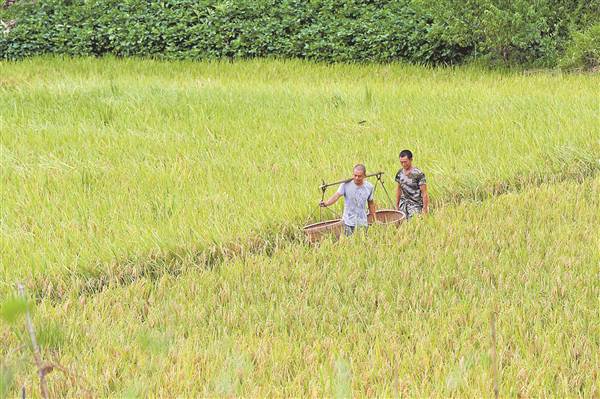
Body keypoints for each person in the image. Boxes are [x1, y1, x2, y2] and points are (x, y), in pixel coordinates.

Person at [320, 164, 376, 236]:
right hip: (348, 221)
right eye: (355, 175)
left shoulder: (369, 187)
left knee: (361, 242)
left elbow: (371, 203)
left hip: (362, 221)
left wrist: (374, 218)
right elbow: (336, 196)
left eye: (359, 176)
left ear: (364, 176)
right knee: (349, 242)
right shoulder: (345, 184)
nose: (356, 178)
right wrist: (326, 203)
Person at [395, 149, 429, 219]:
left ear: (411, 160)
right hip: (403, 204)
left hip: (415, 204)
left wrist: (425, 208)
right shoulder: (400, 173)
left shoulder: (418, 174)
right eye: (401, 162)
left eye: (405, 162)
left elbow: (424, 193)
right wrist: (397, 205)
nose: (403, 164)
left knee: (415, 222)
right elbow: (398, 189)